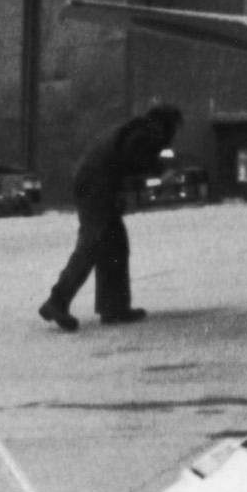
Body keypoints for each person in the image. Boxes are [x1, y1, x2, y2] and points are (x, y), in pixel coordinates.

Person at [39, 101, 184, 329]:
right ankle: (57, 301)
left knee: (114, 243)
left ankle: (114, 308)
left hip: (95, 182)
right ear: (170, 123)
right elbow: (135, 152)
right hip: (95, 185)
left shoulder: (135, 127)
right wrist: (161, 170)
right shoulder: (151, 130)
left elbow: (120, 158)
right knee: (93, 242)